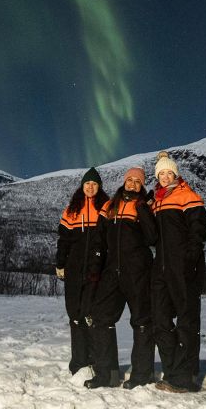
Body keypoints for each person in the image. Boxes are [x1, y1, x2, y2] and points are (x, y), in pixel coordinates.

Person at [84, 166, 158, 389]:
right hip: (111, 274)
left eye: (138, 181)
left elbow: (152, 237)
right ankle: (107, 374)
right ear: (124, 181)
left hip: (137, 273)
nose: (133, 183)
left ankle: (142, 375)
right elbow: (99, 241)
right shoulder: (109, 206)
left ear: (142, 185)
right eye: (130, 179)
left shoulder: (143, 206)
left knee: (142, 322)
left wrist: (144, 209)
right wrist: (96, 269)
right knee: (100, 318)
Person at [149, 151, 206, 393]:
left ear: (176, 174)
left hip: (184, 264)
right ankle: (173, 369)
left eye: (168, 172)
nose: (164, 177)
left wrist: (190, 258)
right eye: (161, 173)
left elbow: (199, 229)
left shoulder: (187, 195)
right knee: (160, 319)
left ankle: (185, 376)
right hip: (161, 266)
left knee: (186, 319)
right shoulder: (157, 201)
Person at [56, 167, 109, 375]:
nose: (90, 187)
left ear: (99, 187)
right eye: (87, 184)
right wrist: (60, 264)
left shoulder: (105, 207)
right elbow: (64, 241)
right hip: (74, 270)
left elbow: (108, 241)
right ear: (82, 186)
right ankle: (78, 362)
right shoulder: (72, 209)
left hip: (96, 270)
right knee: (74, 315)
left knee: (90, 315)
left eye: (94, 184)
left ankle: (94, 361)